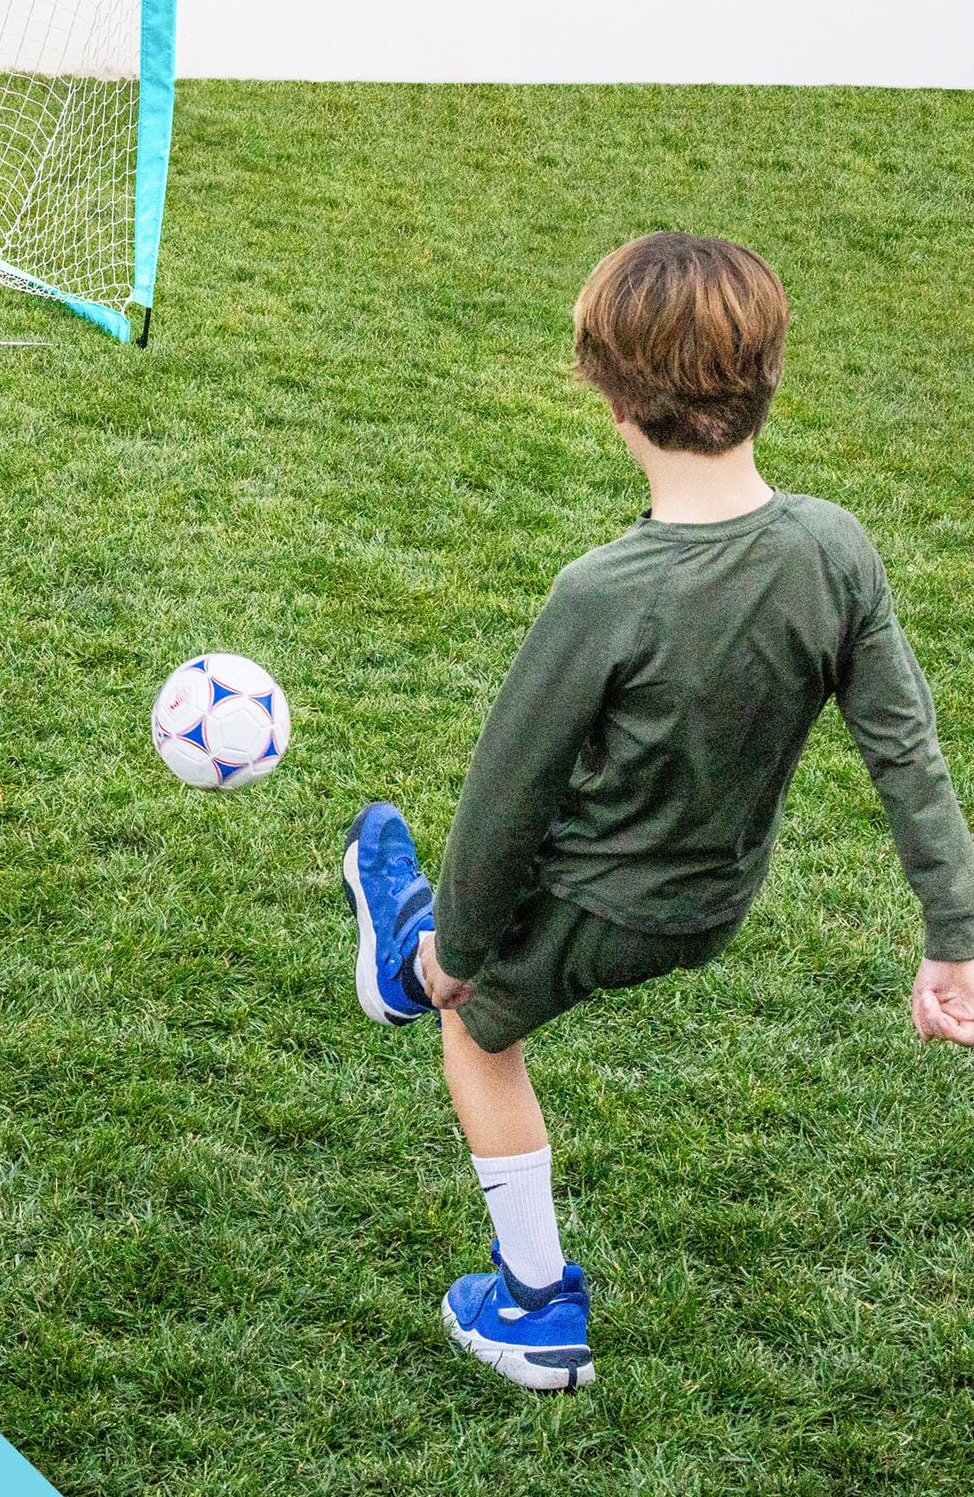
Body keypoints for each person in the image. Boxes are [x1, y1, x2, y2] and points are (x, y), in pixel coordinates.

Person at [343, 231, 974, 1392]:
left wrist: (463, 956)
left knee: (472, 1028)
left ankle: (530, 1304)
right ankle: (405, 938)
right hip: (711, 903)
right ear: (770, 372)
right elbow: (906, 753)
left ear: (607, 393)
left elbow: (501, 803)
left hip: (595, 903)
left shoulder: (601, 593)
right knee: (450, 934)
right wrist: (954, 939)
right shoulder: (833, 547)